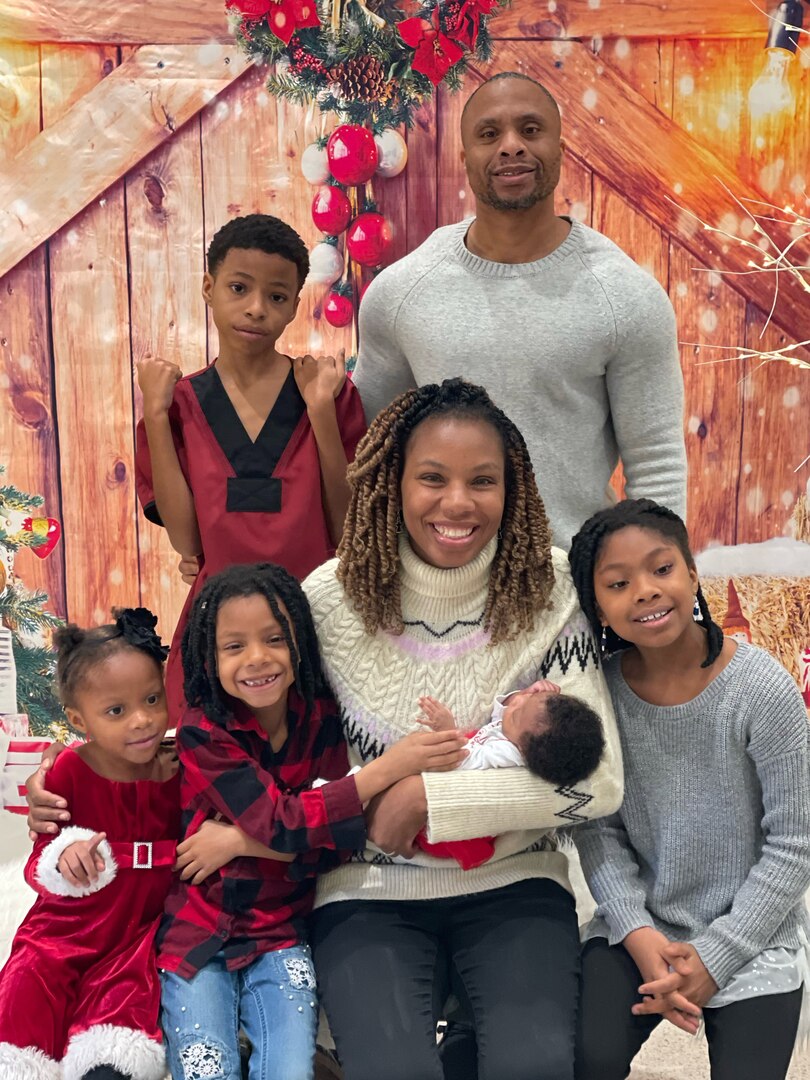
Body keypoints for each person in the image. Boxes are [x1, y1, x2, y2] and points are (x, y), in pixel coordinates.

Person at [301, 377, 624, 1080]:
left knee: (535, 1069)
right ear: (392, 481)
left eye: (483, 480)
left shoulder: (549, 590)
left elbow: (596, 784)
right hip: (370, 887)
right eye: (432, 478)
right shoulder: (327, 601)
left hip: (515, 877)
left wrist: (428, 801)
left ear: (513, 488)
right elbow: (263, 744)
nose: (457, 503)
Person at [152, 562, 464, 1080]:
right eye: (234, 647)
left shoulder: (320, 716)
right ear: (209, 657)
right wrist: (389, 768)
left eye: (274, 638)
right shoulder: (203, 732)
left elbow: (338, 841)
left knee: (291, 1071)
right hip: (198, 933)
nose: (258, 659)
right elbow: (288, 823)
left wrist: (237, 842)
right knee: (205, 1066)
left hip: (280, 931)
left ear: (299, 640)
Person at [353, 72, 686, 549]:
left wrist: (663, 594)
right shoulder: (402, 292)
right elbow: (370, 447)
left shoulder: (625, 297)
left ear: (560, 149)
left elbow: (656, 462)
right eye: (490, 134)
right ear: (465, 160)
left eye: (530, 130)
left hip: (571, 590)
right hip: (434, 594)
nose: (511, 146)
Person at [568, 499, 810, 1080]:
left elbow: (796, 843)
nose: (646, 591)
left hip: (753, 934)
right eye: (618, 583)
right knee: (582, 1057)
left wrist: (718, 954)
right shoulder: (597, 698)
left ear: (693, 573)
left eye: (662, 569)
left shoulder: (761, 689)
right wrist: (637, 928)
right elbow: (596, 826)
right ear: (597, 607)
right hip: (642, 924)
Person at [135, 213, 366, 721]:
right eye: (239, 288)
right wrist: (154, 413)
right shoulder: (178, 404)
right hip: (219, 632)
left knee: (316, 773)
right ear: (209, 288)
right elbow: (187, 544)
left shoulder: (328, 394)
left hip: (315, 625)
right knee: (210, 775)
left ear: (293, 308)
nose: (257, 308)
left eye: (277, 297)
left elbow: (346, 527)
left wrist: (321, 413)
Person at [0, 608, 180, 1080]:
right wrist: (66, 856)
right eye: (116, 711)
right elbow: (42, 853)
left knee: (117, 1035)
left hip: (137, 936)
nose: (142, 720)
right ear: (80, 720)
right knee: (25, 997)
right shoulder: (70, 772)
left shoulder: (182, 770)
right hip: (66, 928)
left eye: (152, 699)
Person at [415, 680, 605, 868]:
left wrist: (448, 730)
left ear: (522, 750)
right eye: (528, 698)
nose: (516, 702)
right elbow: (501, 714)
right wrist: (527, 694)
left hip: (448, 833)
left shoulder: (507, 755)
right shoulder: (517, 732)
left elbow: (463, 764)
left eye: (516, 714)